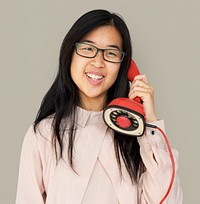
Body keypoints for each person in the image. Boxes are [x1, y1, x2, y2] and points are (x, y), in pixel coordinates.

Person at [16, 9, 183, 204]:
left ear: (124, 66)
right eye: (88, 49)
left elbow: (168, 200)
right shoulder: (44, 134)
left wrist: (150, 123)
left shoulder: (137, 138)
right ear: (70, 54)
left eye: (111, 53)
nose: (98, 62)